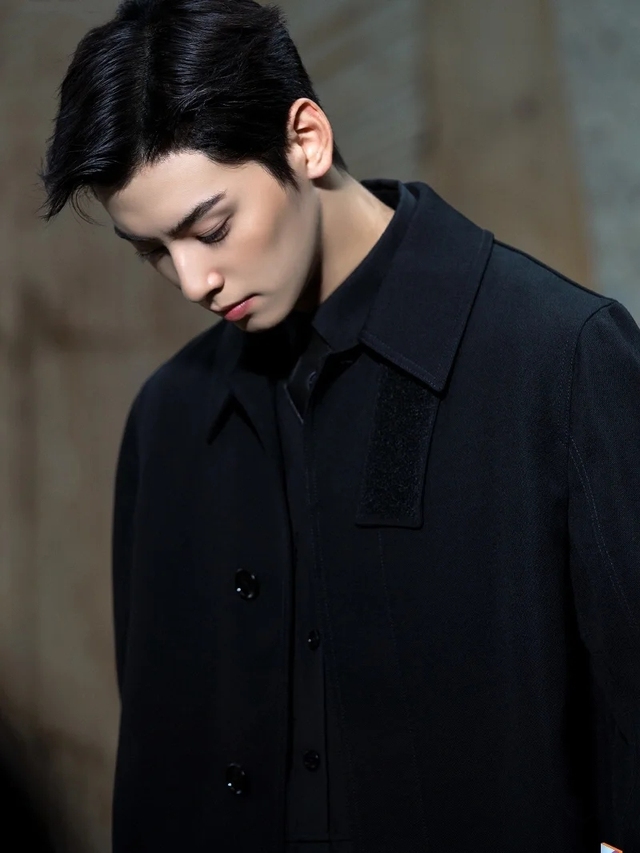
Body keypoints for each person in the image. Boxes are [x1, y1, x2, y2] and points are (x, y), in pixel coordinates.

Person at [38, 1, 640, 852]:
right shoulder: (169, 421)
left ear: (306, 140)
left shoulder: (558, 358)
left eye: (210, 228)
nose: (193, 279)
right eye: (154, 252)